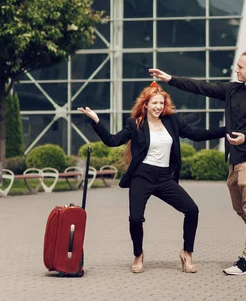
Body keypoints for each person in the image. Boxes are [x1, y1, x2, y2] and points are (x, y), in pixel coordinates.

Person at [149, 49, 246, 276]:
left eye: (241, 67)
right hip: (234, 160)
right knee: (240, 209)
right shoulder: (232, 90)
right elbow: (202, 87)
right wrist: (171, 79)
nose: (237, 70)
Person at [78, 82, 226, 274]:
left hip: (165, 178)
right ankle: (138, 254)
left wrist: (225, 130)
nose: (158, 107)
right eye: (154, 103)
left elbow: (197, 135)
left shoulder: (172, 121)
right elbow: (112, 141)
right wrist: (96, 121)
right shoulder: (136, 124)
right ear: (145, 104)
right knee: (135, 218)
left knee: (192, 210)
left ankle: (187, 253)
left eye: (161, 103)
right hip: (142, 176)